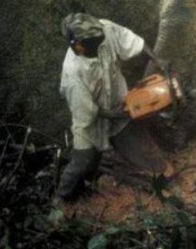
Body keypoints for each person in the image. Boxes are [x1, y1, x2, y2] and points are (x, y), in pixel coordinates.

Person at [56, 12, 162, 200]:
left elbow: (133, 41)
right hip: (92, 122)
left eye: (101, 40)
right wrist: (120, 114)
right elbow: (87, 112)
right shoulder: (73, 74)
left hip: (119, 102)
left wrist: (157, 59)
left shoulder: (104, 29)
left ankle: (162, 176)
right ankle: (64, 199)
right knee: (84, 162)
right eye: (95, 44)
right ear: (78, 47)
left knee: (144, 149)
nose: (101, 44)